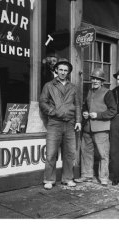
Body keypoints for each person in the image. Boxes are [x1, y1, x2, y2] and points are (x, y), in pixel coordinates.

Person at [39, 58, 81, 190]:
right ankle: (49, 180)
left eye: (65, 70)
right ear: (56, 70)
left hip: (70, 124)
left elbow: (78, 105)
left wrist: (78, 121)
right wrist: (53, 112)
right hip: (54, 123)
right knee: (51, 153)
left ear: (68, 72)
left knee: (69, 153)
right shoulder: (49, 85)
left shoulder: (73, 87)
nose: (63, 72)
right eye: (61, 69)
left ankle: (68, 178)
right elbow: (42, 103)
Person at [75, 68, 117, 186]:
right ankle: (86, 175)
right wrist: (84, 112)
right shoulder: (89, 91)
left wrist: (98, 115)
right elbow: (85, 106)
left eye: (98, 79)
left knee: (103, 154)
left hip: (101, 128)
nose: (95, 81)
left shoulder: (107, 92)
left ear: (102, 81)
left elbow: (113, 111)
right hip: (88, 127)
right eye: (93, 78)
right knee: (86, 152)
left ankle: (103, 177)